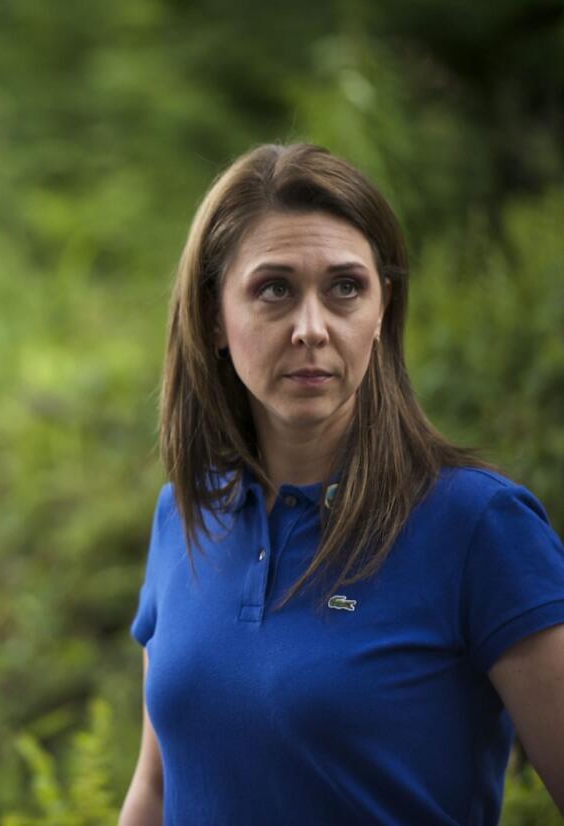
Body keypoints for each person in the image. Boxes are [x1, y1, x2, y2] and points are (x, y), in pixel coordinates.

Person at [119, 143, 564, 824]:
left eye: (346, 288)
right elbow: (154, 793)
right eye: (274, 289)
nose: (312, 329)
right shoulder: (184, 513)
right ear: (213, 317)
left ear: (383, 308)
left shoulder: (478, 526)